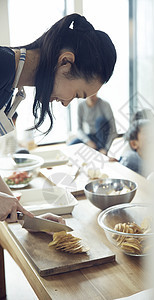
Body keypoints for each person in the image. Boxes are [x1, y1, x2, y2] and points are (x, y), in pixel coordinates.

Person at [0, 13, 116, 221]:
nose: (66, 103)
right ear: (65, 62)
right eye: (77, 94)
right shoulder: (2, 66)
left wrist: (28, 217)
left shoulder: (9, 84)